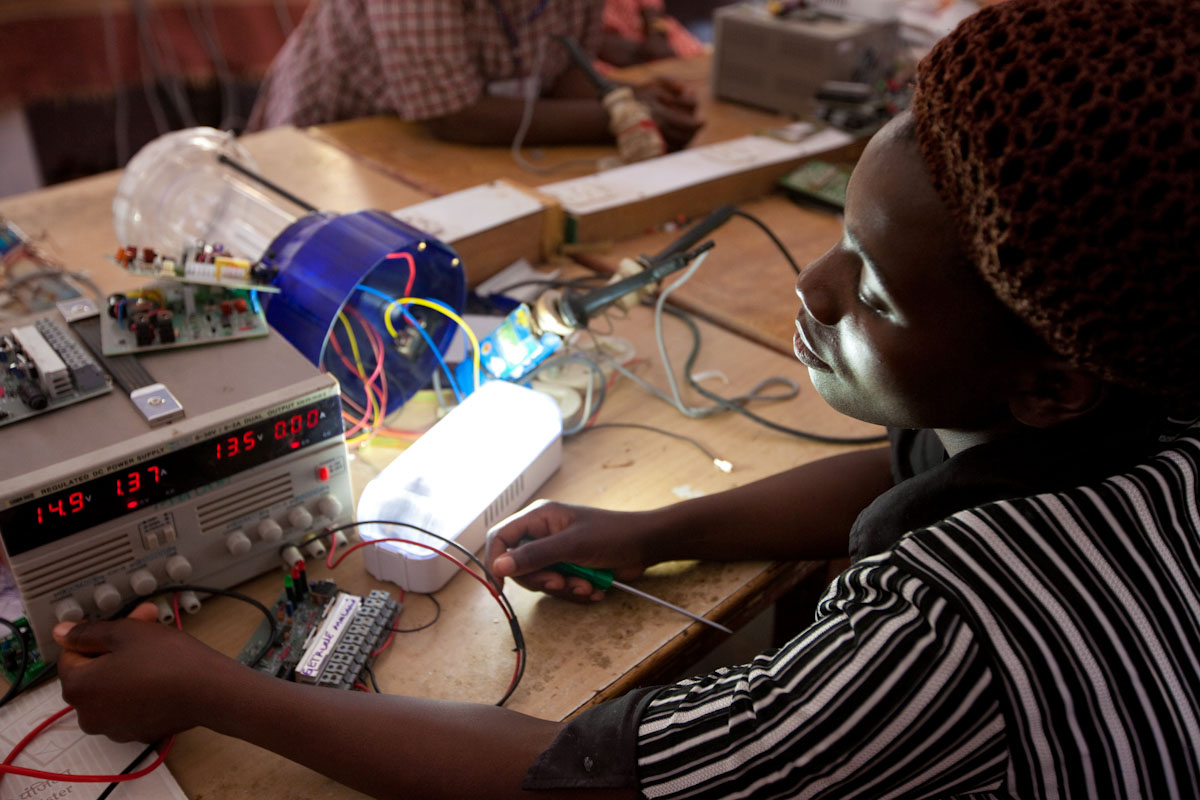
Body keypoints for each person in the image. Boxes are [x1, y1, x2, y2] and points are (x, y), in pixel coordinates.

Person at [53, 0, 1200, 796]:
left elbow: (565, 782)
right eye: (841, 237)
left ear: (1047, 381)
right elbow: (918, 468)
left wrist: (217, 690)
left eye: (877, 294)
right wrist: (655, 529)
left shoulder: (939, 633)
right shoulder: (1143, 404)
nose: (815, 282)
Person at [247, 0, 703, 152]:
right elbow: (452, 115)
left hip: (446, 148)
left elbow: (562, 70)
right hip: (331, 143)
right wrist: (619, 118)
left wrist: (624, 97)